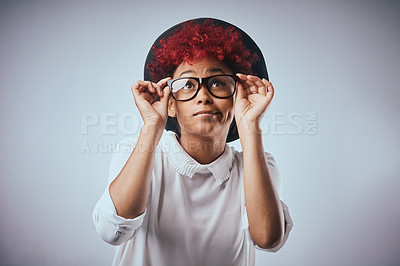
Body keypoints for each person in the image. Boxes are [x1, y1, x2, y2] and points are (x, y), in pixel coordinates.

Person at [92, 17, 293, 266]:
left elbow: (268, 239)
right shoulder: (137, 153)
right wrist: (152, 126)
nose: (204, 96)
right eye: (187, 85)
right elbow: (112, 231)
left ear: (236, 96)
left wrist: (250, 126)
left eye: (218, 83)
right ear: (171, 105)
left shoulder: (259, 166)